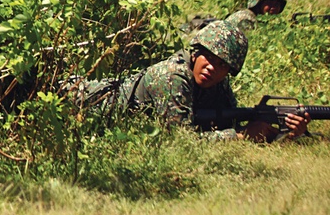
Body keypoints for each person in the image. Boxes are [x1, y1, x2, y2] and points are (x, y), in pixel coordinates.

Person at [83, 20, 309, 142]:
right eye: (209, 58)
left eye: (222, 65)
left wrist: (286, 133)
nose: (212, 68)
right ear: (196, 53)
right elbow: (181, 140)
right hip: (87, 102)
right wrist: (241, 135)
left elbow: (223, 122)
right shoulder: (172, 76)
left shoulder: (217, 81)